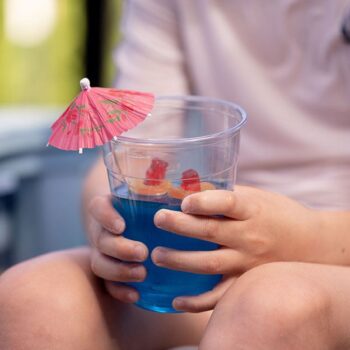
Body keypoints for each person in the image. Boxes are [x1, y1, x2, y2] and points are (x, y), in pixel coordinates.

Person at [1, 0, 350, 349]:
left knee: (270, 307)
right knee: (29, 297)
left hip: (335, 258)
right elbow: (136, 150)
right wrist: (110, 227)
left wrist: (307, 236)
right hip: (208, 261)